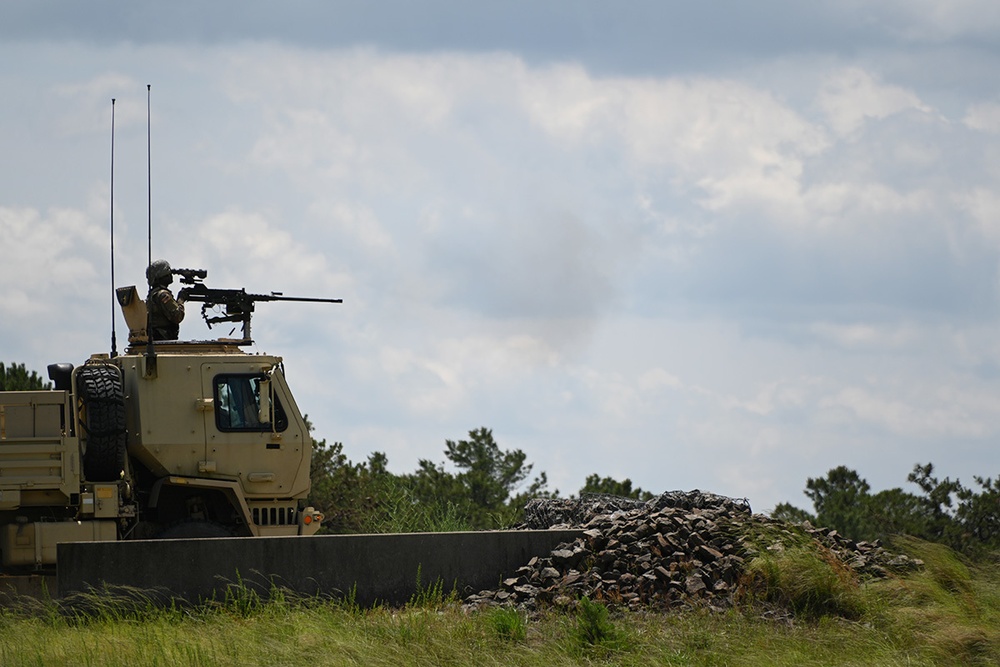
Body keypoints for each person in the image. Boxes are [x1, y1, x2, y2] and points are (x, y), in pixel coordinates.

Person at [145, 259, 185, 341]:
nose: (170, 275)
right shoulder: (163, 295)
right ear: (161, 276)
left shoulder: (153, 294)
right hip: (163, 338)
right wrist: (181, 299)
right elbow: (177, 316)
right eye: (167, 273)